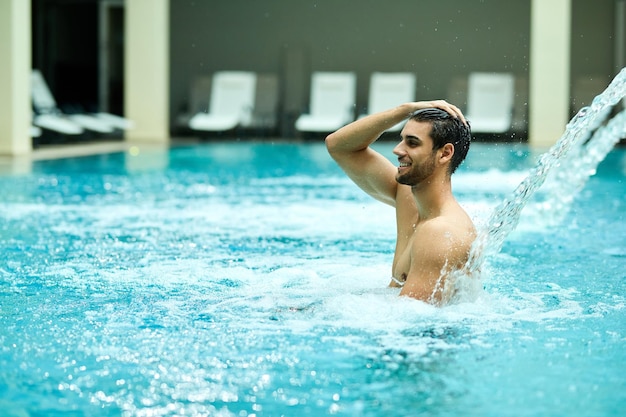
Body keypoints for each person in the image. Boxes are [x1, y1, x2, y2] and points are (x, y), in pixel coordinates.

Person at [325, 100, 475, 305]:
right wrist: (403, 111)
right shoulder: (409, 197)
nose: (397, 150)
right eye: (402, 139)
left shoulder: (440, 233)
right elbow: (339, 146)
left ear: (445, 153)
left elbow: (411, 320)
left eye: (412, 143)